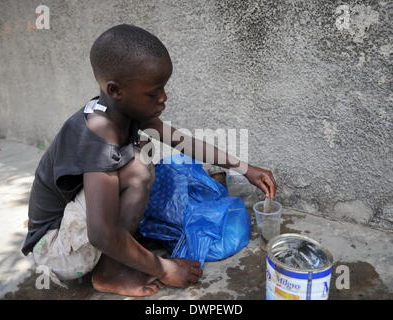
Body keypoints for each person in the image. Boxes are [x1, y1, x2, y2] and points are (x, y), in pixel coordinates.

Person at [21, 24, 276, 297]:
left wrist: (244, 169)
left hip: (74, 227)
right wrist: (164, 268)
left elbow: (183, 141)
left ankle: (120, 251)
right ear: (116, 89)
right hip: (56, 249)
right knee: (137, 168)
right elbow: (101, 234)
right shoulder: (99, 134)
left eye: (163, 88)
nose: (163, 98)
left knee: (141, 150)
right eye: (153, 93)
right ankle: (109, 272)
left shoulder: (118, 107)